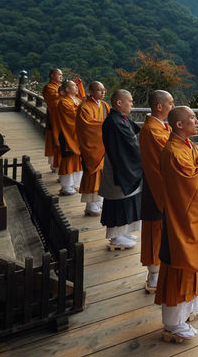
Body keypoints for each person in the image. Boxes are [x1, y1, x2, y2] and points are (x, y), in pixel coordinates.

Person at [155, 106, 198, 343]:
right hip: (180, 223)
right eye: (192, 118)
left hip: (188, 220)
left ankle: (186, 312)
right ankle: (173, 323)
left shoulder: (186, 145)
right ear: (179, 125)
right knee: (180, 267)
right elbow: (189, 186)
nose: (197, 121)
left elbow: (196, 169)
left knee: (190, 267)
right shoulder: (174, 152)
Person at [138, 90, 174, 293]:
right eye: (170, 103)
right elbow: (172, 157)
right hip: (156, 188)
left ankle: (157, 274)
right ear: (159, 106)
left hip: (156, 186)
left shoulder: (159, 127)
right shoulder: (153, 131)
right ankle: (154, 277)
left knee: (159, 231)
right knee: (155, 232)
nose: (172, 106)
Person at [99, 89, 143, 250]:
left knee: (128, 201)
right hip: (119, 169)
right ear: (119, 102)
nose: (132, 103)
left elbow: (137, 134)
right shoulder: (114, 122)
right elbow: (132, 144)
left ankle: (123, 232)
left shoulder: (121, 118)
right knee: (118, 203)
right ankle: (116, 237)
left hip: (124, 166)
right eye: (130, 101)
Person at [76, 81, 109, 216]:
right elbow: (87, 127)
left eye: (103, 89)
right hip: (92, 147)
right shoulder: (84, 107)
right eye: (99, 90)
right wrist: (107, 125)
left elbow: (111, 118)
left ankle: (99, 202)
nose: (103, 92)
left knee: (102, 175)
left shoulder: (104, 105)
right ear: (91, 92)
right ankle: (90, 206)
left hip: (102, 145)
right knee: (92, 173)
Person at [52, 80, 83, 195]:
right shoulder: (63, 102)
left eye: (76, 86)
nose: (76, 88)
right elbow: (73, 116)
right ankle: (66, 186)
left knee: (78, 160)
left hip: (77, 135)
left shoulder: (78, 100)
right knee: (68, 160)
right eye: (73, 86)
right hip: (68, 134)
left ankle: (76, 183)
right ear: (67, 90)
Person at [43, 68, 63, 172]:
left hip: (62, 118)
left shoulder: (60, 87)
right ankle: (55, 165)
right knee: (54, 141)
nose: (61, 76)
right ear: (52, 75)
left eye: (61, 75)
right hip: (53, 118)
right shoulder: (48, 88)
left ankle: (58, 165)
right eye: (59, 74)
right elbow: (55, 100)